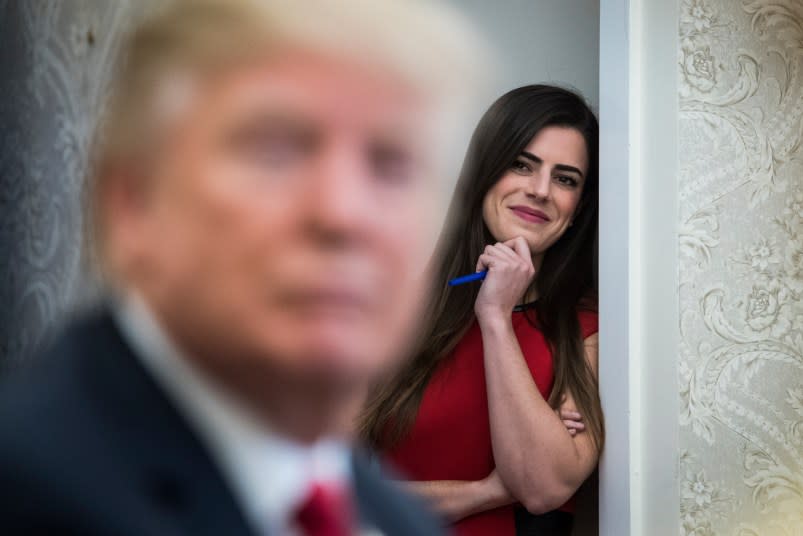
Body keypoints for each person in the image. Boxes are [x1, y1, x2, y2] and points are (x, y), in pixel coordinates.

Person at [0, 0, 487, 534]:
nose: (344, 214)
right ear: (132, 202)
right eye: (275, 150)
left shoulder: (393, 520)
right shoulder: (27, 493)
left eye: (390, 165)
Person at [359, 85, 604, 536]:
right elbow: (328, 488)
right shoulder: (398, 313)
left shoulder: (591, 330)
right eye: (522, 165)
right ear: (484, 174)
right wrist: (485, 492)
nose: (541, 190)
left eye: (566, 178)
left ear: (579, 207)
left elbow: (543, 488)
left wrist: (496, 317)